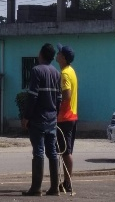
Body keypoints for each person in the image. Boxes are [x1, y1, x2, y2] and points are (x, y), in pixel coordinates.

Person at [21, 43, 62, 196]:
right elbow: (59, 98)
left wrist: (26, 116)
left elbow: (33, 96)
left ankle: (36, 187)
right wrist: (55, 114)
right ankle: (54, 187)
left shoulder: (36, 71)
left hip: (38, 118)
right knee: (52, 152)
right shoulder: (56, 73)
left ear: (42, 54)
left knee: (38, 151)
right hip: (52, 118)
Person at [56, 43, 78, 194]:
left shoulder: (64, 73)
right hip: (72, 116)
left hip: (65, 116)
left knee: (65, 151)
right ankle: (66, 181)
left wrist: (57, 105)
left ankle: (68, 182)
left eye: (59, 53)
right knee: (66, 151)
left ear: (63, 58)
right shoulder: (71, 70)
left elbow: (67, 95)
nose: (57, 55)